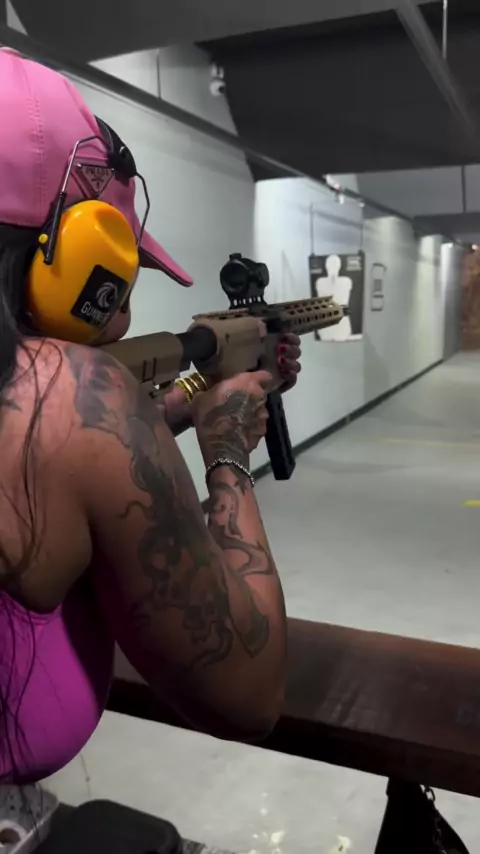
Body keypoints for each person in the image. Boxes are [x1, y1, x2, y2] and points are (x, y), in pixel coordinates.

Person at [0, 48, 302, 785]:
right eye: (123, 273)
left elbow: (61, 463)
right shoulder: (72, 391)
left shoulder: (49, 405)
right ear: (76, 263)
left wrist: (172, 407)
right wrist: (227, 448)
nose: (126, 311)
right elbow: (249, 693)